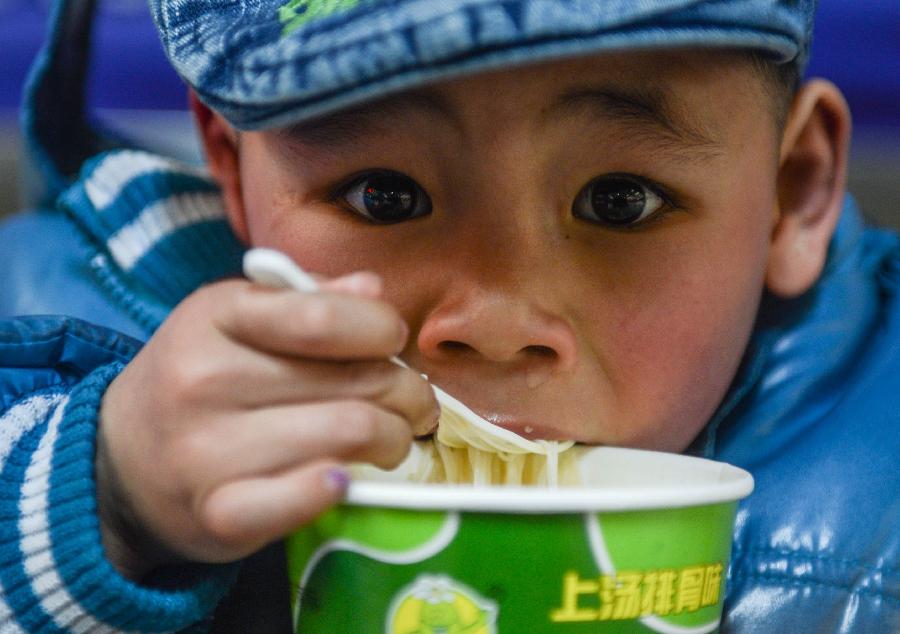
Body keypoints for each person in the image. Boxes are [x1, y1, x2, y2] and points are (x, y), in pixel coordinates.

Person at [0, 0, 897, 631]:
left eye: (619, 201)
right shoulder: (52, 333)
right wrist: (110, 501)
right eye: (385, 196)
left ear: (791, 193)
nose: (498, 322)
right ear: (231, 168)